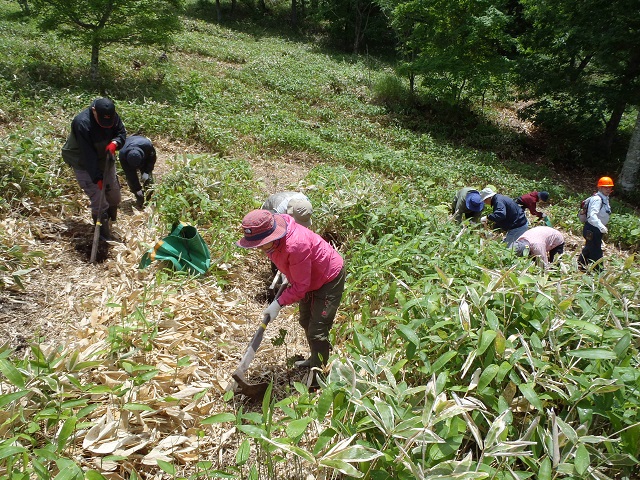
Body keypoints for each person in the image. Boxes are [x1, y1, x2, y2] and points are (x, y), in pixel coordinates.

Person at [236, 209, 345, 390]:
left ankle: (320, 377)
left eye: (262, 244)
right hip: (307, 277)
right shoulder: (273, 239)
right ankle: (314, 358)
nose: (259, 248)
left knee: (317, 331)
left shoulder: (296, 245)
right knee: (305, 320)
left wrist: (278, 303)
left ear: (274, 235)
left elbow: (301, 288)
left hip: (328, 278)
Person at [61, 98, 126, 240]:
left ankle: (111, 221)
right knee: (99, 199)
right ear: (94, 111)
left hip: (105, 156)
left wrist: (116, 142)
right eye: (102, 121)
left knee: (114, 196)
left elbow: (121, 133)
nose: (106, 125)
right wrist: (97, 177)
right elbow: (87, 155)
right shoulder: (82, 123)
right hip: (83, 162)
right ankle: (103, 236)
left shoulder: (112, 116)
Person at [578, 177, 614, 270]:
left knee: (590, 246)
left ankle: (581, 264)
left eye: (609, 187)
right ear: (600, 187)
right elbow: (591, 215)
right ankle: (598, 270)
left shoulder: (605, 198)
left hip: (595, 229)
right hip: (592, 228)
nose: (608, 189)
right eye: (605, 187)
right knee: (596, 250)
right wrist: (601, 226)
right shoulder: (597, 199)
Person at [119, 135, 157, 208]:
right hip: (129, 151)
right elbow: (130, 174)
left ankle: (150, 199)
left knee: (149, 179)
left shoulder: (147, 146)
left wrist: (147, 171)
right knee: (132, 182)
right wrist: (137, 189)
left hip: (142, 148)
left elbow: (152, 160)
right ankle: (140, 198)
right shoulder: (123, 155)